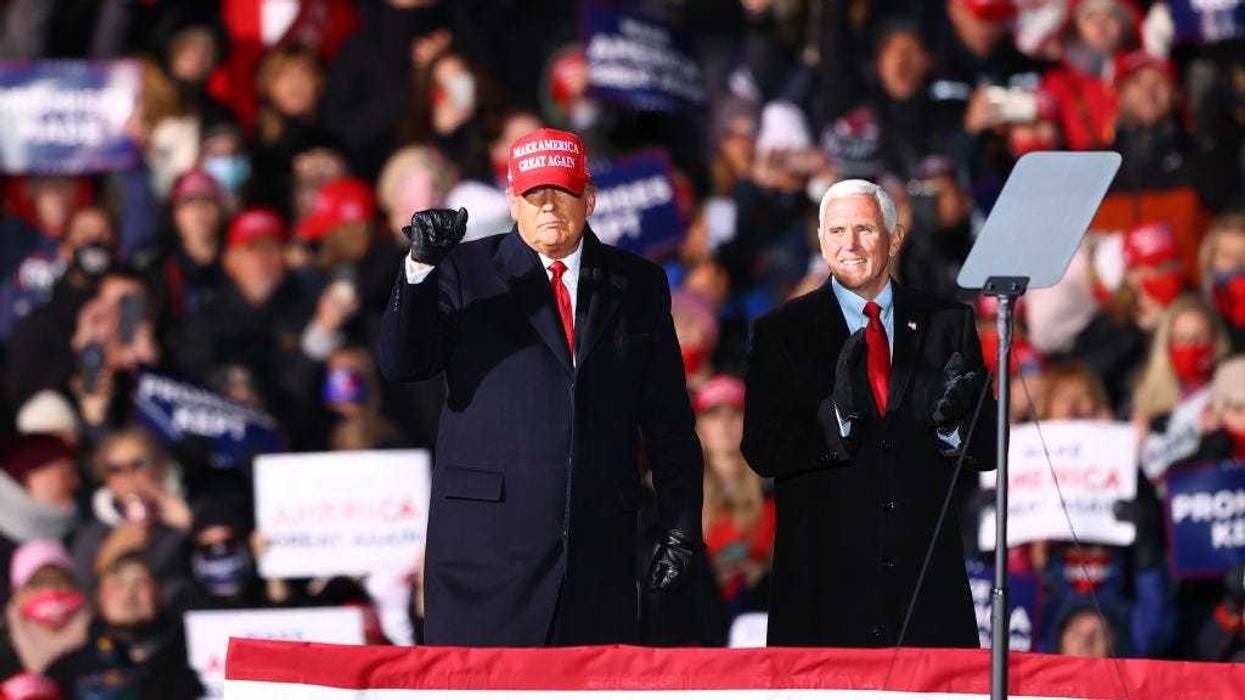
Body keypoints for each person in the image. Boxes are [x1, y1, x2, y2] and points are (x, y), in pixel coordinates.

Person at [379, 127, 703, 646]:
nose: (548, 205)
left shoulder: (638, 284)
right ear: (513, 202)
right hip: (484, 566)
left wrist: (682, 524)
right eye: (533, 193)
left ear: (590, 198)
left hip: (598, 560)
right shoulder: (463, 271)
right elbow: (403, 362)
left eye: (562, 190)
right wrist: (418, 269)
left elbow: (668, 422)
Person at [741, 178, 996, 647]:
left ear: (894, 238)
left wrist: (956, 427)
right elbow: (762, 450)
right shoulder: (781, 332)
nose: (850, 244)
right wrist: (836, 415)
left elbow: (986, 450)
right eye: (836, 232)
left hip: (925, 594)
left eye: (864, 229)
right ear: (821, 241)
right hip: (824, 594)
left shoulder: (947, 323)